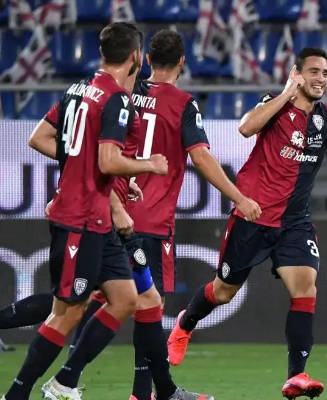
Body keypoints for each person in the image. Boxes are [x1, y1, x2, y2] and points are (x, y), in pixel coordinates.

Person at [167, 47, 327, 399]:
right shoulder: (275, 104)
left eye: (325, 73)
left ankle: (296, 376)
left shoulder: (325, 119)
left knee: (306, 288)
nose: (321, 79)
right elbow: (245, 127)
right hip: (253, 215)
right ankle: (186, 322)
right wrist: (285, 93)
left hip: (295, 223)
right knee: (223, 291)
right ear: (297, 73)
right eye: (313, 71)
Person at [1, 22, 169, 400]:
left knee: (125, 298)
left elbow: (40, 138)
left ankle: (64, 381)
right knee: (68, 311)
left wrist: (82, 169)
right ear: (136, 57)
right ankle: (17, 394)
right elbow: (108, 161)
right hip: (80, 219)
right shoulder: (116, 99)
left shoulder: (78, 89)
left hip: (96, 217)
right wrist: (148, 165)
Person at [115, 29, 260, 400]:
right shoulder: (183, 104)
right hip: (151, 221)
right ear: (182, 62)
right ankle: (140, 393)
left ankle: (143, 392)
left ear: (147, 60)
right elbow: (201, 157)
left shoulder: (126, 93)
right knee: (148, 308)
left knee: (83, 300)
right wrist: (239, 197)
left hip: (113, 209)